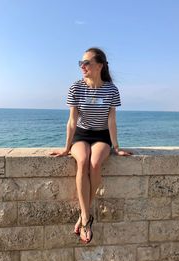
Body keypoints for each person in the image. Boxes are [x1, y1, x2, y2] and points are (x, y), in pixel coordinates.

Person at [50, 47, 133, 244]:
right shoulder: (76, 87)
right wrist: (65, 147)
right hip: (81, 134)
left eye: (86, 63)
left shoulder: (111, 89)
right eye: (81, 63)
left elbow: (112, 120)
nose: (82, 66)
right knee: (83, 161)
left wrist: (117, 147)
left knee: (95, 163)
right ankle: (87, 218)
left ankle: (83, 214)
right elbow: (71, 120)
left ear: (100, 66)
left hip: (102, 136)